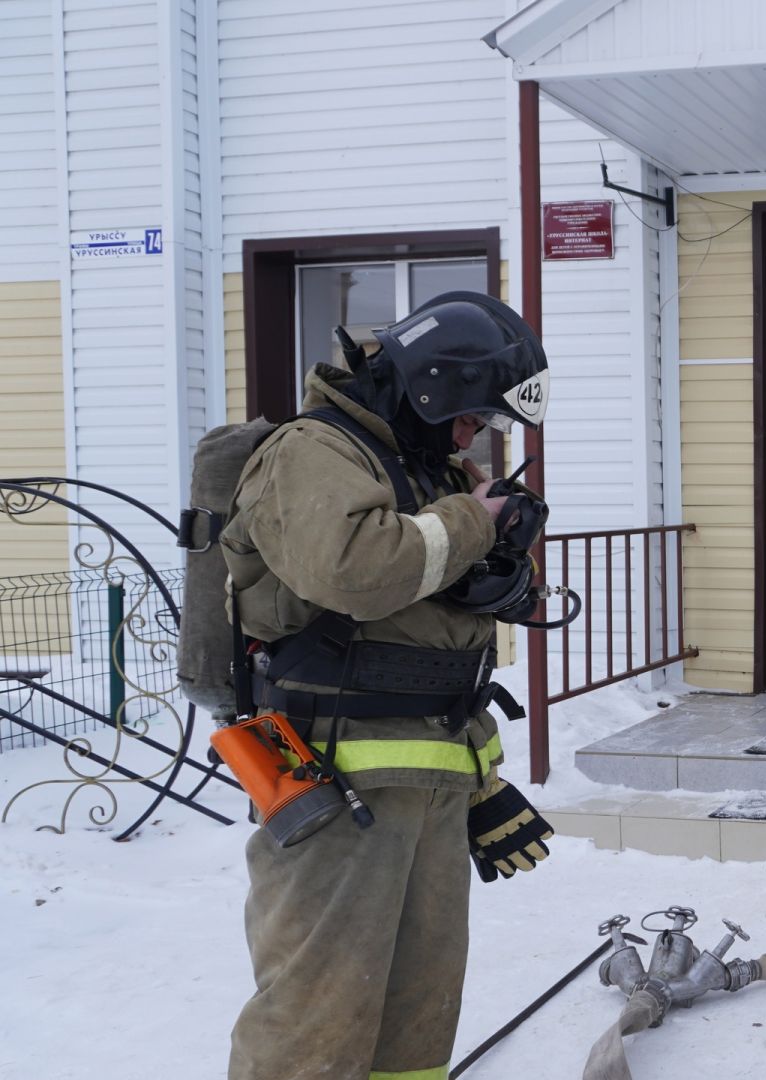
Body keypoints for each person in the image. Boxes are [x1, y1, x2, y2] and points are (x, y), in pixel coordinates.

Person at [223, 292, 558, 1080]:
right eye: (472, 418)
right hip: (332, 782)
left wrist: (483, 785)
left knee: (419, 1009)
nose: (476, 438)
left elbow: (444, 645)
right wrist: (474, 523)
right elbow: (358, 572)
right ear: (429, 387)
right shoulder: (313, 451)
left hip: (430, 780)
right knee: (318, 1014)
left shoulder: (429, 468)